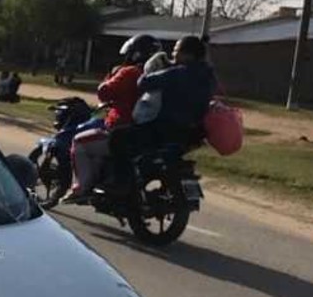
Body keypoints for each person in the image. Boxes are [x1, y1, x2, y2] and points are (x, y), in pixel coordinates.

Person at [108, 35, 216, 188]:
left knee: (117, 137)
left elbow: (144, 83)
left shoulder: (179, 73)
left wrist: (153, 68)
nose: (173, 55)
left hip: (164, 130)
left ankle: (121, 183)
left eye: (176, 51)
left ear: (188, 55)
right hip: (192, 132)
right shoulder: (209, 75)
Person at [64, 34, 160, 201]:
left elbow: (104, 93)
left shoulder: (130, 72)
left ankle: (81, 188)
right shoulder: (162, 75)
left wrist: (111, 77)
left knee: (79, 142)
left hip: (121, 127)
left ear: (135, 54)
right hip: (149, 133)